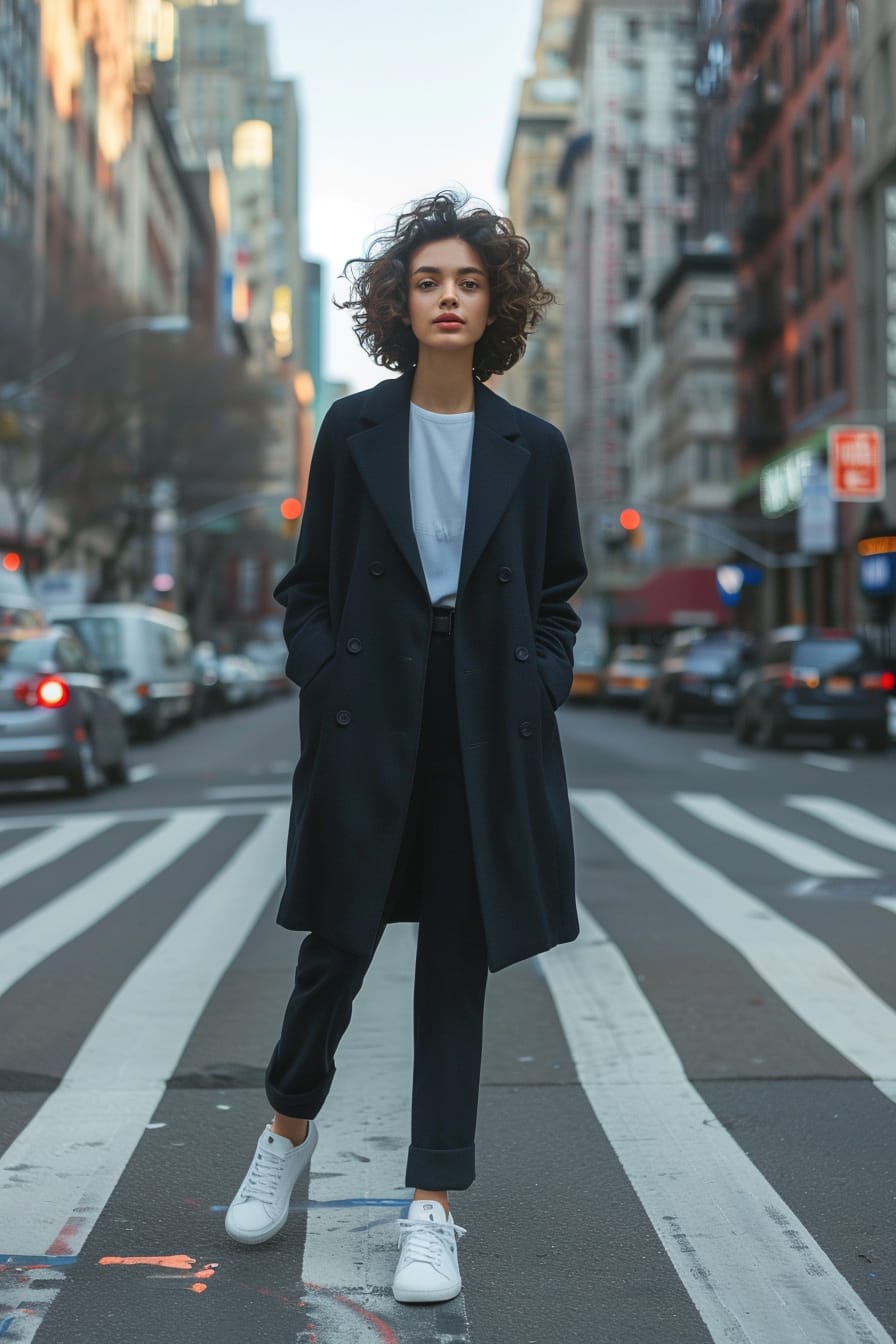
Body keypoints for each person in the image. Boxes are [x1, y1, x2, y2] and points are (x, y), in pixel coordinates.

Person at [225, 189, 587, 1305]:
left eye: (467, 282)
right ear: (399, 300)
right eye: (428, 280)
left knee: (452, 973)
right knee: (332, 951)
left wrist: (538, 681)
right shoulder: (352, 426)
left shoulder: (533, 446)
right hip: (365, 719)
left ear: (495, 307)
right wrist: (325, 669)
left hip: (481, 730)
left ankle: (430, 1208)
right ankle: (285, 1133)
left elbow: (559, 597)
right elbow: (309, 587)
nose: (447, 296)